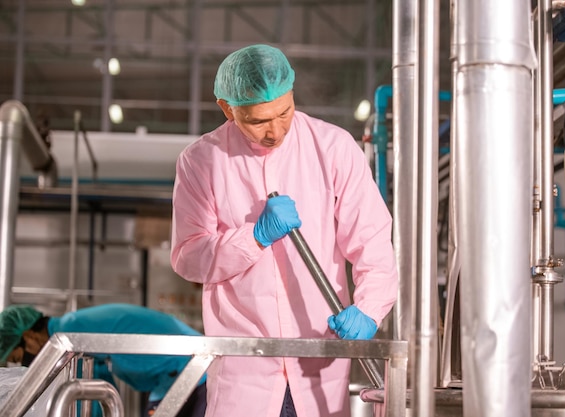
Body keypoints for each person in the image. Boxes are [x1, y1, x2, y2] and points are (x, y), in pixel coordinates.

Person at [170, 44, 398, 417]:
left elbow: (372, 242)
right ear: (227, 108)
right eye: (257, 121)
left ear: (293, 94)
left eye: (284, 113)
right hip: (244, 371)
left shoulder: (334, 148)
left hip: (319, 361)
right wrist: (253, 237)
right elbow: (188, 257)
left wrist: (370, 309)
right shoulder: (201, 162)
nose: (274, 131)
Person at [0, 303, 207, 417]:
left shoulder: (71, 334)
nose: (26, 362)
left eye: (19, 357)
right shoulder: (73, 328)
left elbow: (83, 392)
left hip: (190, 371)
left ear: (28, 336)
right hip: (175, 375)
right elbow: (97, 385)